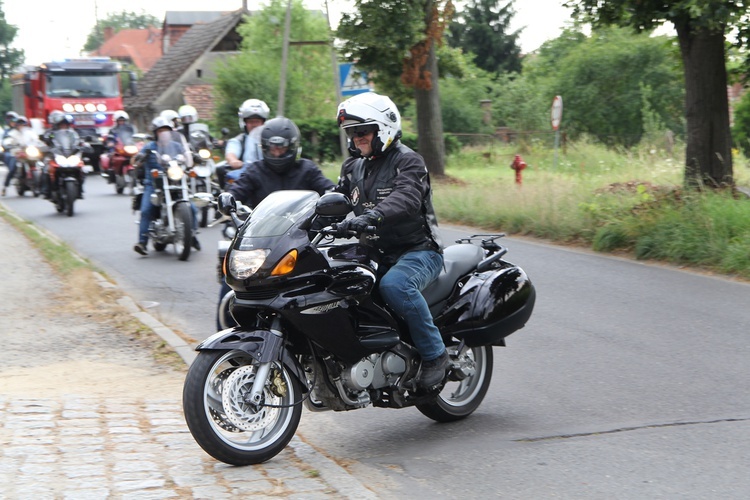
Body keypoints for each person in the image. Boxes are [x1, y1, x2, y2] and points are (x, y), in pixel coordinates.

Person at [333, 92, 447, 388]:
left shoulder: (409, 161)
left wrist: (370, 217)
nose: (356, 138)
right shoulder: (352, 167)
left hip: (417, 251)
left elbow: (407, 197)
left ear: (383, 128)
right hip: (374, 253)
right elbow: (335, 201)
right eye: (351, 131)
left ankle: (435, 355)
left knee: (395, 285)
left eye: (362, 130)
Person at [216, 116, 334, 329]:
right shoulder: (254, 171)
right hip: (262, 242)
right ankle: (222, 332)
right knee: (231, 283)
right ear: (264, 148)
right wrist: (229, 199)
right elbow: (237, 191)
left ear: (292, 147)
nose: (277, 153)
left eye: (281, 148)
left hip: (299, 242)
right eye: (272, 148)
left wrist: (333, 197)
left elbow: (327, 189)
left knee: (325, 282)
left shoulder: (307, 169)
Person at [133, 116, 200, 256]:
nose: (164, 134)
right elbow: (135, 160)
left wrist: (193, 157)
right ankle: (142, 242)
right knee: (146, 210)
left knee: (192, 208)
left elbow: (186, 155)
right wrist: (140, 157)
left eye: (166, 131)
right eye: (160, 131)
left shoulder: (176, 146)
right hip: (154, 184)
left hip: (175, 181)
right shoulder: (149, 147)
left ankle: (191, 235)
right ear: (155, 133)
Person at [216, 99, 269, 189]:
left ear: (263, 122)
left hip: (268, 175)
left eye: (257, 121)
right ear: (245, 123)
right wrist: (234, 161)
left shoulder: (269, 140)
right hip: (247, 177)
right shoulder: (238, 140)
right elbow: (231, 153)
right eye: (251, 121)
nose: (254, 125)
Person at [40, 110, 84, 199]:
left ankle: (80, 190)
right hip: (54, 155)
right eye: (61, 124)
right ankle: (46, 191)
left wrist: (83, 145)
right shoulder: (50, 133)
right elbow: (46, 139)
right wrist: (46, 144)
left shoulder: (72, 133)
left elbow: (77, 140)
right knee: (45, 170)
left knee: (82, 169)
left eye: (64, 124)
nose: (63, 126)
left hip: (69, 154)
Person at [2, 116, 43, 197]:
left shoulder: (30, 132)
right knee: (12, 169)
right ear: (16, 125)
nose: (20, 125)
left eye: (22, 123)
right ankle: (5, 187)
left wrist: (40, 144)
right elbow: (7, 141)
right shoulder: (12, 133)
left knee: (41, 165)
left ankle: (40, 187)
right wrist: (8, 144)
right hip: (17, 153)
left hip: (29, 152)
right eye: (19, 124)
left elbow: (36, 139)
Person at [2, 112, 20, 196]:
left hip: (23, 151)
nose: (12, 122)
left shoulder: (22, 130)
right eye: (10, 120)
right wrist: (6, 145)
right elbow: (4, 142)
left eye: (14, 121)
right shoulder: (6, 132)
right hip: (12, 152)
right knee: (12, 169)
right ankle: (5, 187)